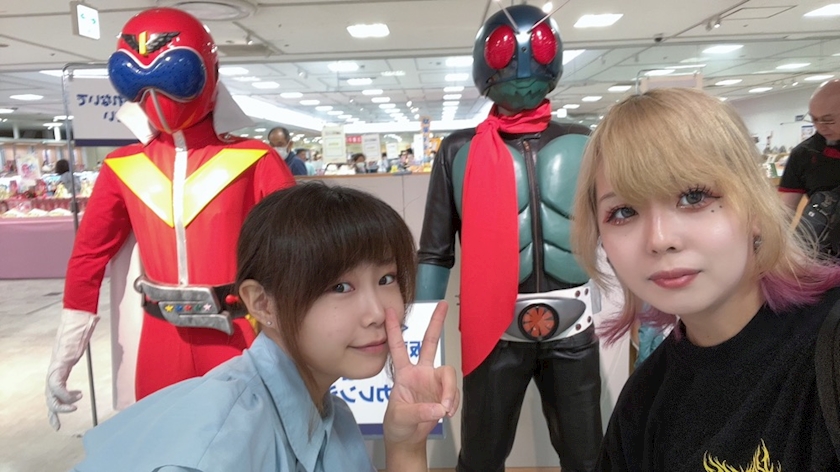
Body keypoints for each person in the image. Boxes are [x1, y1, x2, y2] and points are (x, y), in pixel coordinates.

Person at [72, 183, 459, 472]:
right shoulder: (220, 445)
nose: (376, 312)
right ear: (262, 303)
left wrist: (406, 447)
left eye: (387, 278)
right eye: (340, 287)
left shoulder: (331, 416)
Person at [46, 7, 296, 430]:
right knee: (161, 443)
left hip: (241, 335)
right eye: (131, 78)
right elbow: (88, 259)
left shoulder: (255, 160)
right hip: (159, 342)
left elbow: (300, 253)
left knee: (249, 446)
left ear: (210, 73)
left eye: (175, 74)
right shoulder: (123, 167)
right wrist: (64, 353)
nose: (154, 95)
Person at [571, 87, 840, 471]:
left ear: (756, 208)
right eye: (624, 211)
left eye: (694, 197)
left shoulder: (827, 354)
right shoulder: (643, 403)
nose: (659, 239)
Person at [416, 5, 602, 472]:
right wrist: (421, 341)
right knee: (481, 457)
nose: (522, 70)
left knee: (588, 456)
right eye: (505, 54)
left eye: (537, 52)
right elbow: (435, 253)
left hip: (574, 326)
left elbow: (619, 227)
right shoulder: (458, 150)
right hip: (492, 331)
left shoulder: (585, 142)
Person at [779, 79, 840, 213]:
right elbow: (785, 210)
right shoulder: (803, 154)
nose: (820, 126)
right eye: (814, 119)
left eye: (828, 120)